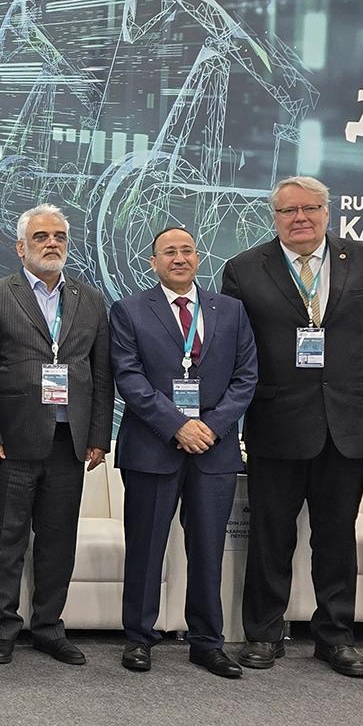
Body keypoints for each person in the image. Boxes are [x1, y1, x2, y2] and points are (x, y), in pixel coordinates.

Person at [220, 175, 363, 678]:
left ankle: (335, 638)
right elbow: (234, 350)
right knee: (270, 536)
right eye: (288, 211)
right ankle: (263, 634)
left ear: (327, 212)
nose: (299, 218)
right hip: (276, 421)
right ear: (274, 218)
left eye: (309, 209)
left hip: (348, 422)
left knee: (337, 537)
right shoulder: (243, 268)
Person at [110, 226, 256, 678]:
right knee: (145, 547)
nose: (179, 258)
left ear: (198, 257)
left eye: (187, 250)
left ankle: (207, 642)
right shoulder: (129, 310)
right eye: (169, 252)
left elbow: (246, 377)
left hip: (214, 449)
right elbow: (128, 377)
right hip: (152, 448)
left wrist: (209, 427)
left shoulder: (230, 310)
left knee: (209, 550)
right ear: (152, 262)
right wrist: (178, 425)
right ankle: (139, 638)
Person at [0, 204, 112, 667]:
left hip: (69, 441)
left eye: (59, 237)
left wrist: (99, 434)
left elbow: (101, 373)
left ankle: (49, 627)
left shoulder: (90, 299)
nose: (51, 244)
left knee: (58, 541)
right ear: (21, 247)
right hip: (11, 440)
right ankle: (1, 629)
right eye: (41, 237)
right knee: (6, 541)